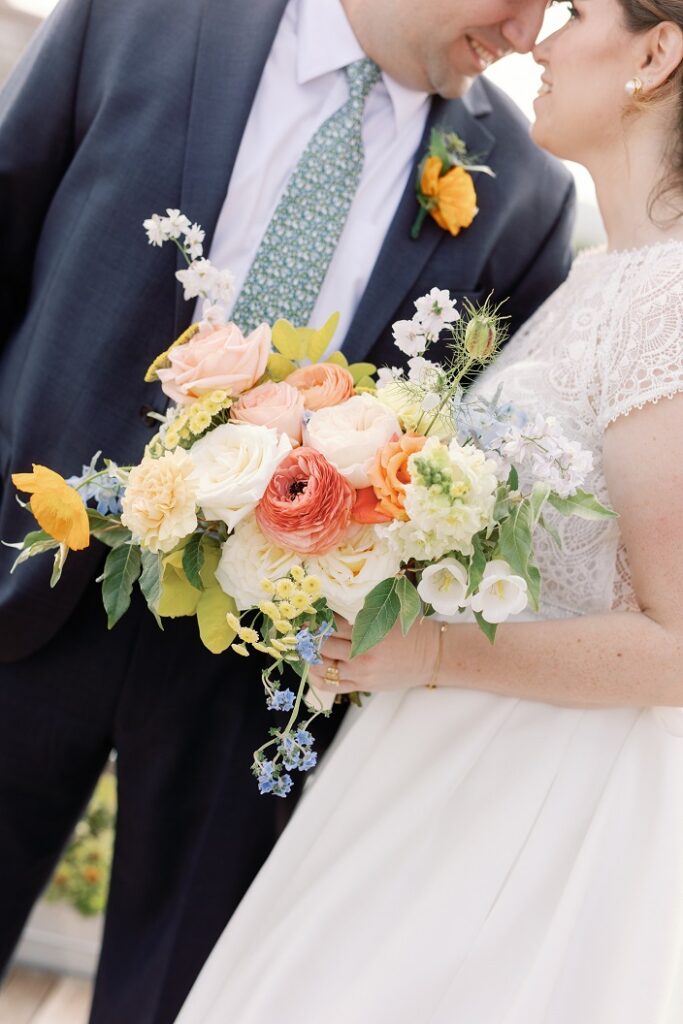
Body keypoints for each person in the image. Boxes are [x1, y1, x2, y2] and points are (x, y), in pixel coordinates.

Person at [0, 0, 572, 1020]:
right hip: (29, 568)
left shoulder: (522, 194)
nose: (526, 35)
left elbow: (467, 453)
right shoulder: (140, 19)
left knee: (183, 993)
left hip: (261, 674)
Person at [174, 1, 683, 1021]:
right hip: (438, 764)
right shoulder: (602, 279)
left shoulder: (665, 300)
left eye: (576, 12)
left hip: (546, 804)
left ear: (655, 52)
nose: (536, 43)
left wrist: (438, 652)